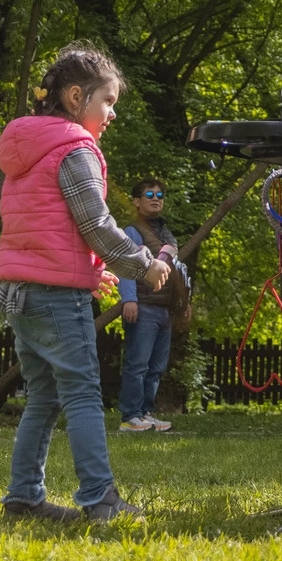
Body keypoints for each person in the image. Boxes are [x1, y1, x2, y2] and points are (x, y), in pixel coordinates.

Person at [0, 46, 173, 524]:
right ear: (76, 97)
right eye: (107, 101)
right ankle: (100, 499)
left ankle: (23, 498)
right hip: (55, 299)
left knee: (43, 396)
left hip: (20, 292)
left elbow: (44, 228)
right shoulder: (74, 149)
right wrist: (142, 264)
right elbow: (95, 225)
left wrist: (91, 270)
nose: (112, 113)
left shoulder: (27, 150)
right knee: (82, 394)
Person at [116, 177, 179, 434]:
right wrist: (129, 299)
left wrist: (181, 303)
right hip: (143, 307)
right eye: (149, 195)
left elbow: (175, 271)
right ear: (136, 202)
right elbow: (126, 265)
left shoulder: (164, 233)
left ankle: (145, 413)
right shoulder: (133, 231)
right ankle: (130, 416)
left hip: (164, 309)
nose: (156, 199)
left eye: (160, 195)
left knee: (156, 367)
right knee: (138, 364)